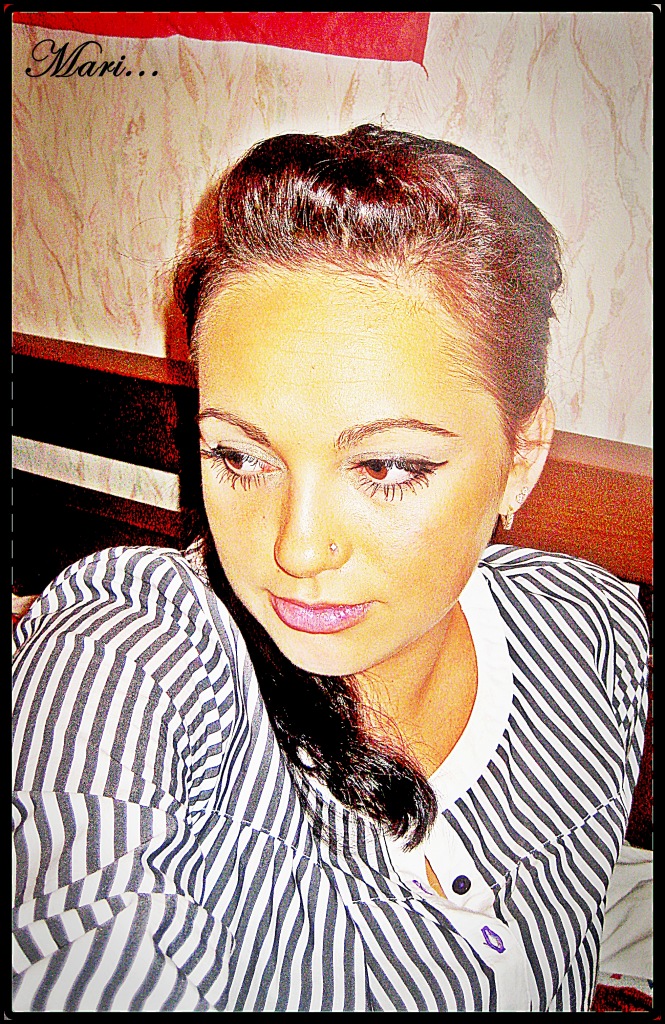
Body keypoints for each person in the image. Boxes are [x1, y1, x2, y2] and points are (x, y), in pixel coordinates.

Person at [12, 125, 648, 1012]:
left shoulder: (591, 634)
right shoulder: (127, 653)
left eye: (385, 466)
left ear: (520, 457)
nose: (295, 549)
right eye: (239, 456)